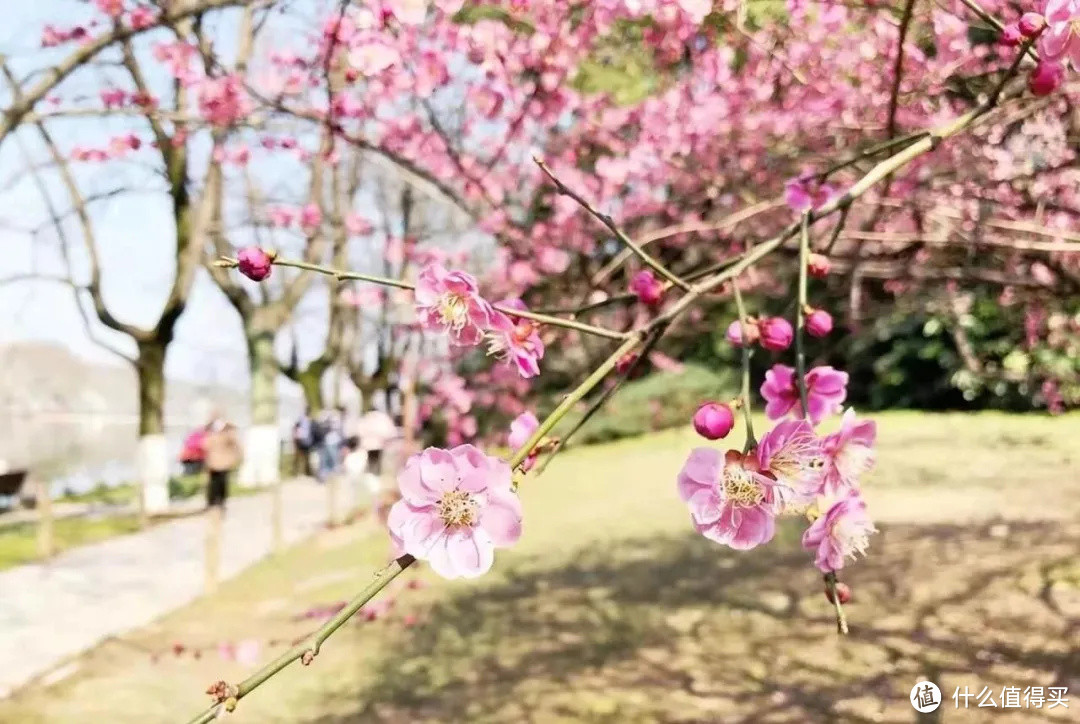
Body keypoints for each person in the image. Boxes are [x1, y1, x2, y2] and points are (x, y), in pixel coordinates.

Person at [358, 407, 399, 517]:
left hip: (369, 445)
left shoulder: (367, 418)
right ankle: (376, 484)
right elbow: (389, 432)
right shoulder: (382, 418)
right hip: (379, 445)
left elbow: (360, 430)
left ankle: (374, 484)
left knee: (372, 467)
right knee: (378, 467)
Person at [203, 411, 242, 509]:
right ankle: (212, 501)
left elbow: (235, 444)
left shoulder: (227, 431)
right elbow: (205, 445)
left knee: (222, 482)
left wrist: (236, 456)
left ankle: (220, 501)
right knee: (213, 483)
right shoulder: (209, 431)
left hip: (223, 461)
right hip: (213, 461)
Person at [291, 408, 315, 478]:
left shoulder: (308, 420)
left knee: (307, 457)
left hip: (306, 441)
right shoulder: (302, 419)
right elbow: (295, 428)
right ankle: (295, 472)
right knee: (298, 456)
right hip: (300, 440)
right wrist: (295, 437)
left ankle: (307, 472)